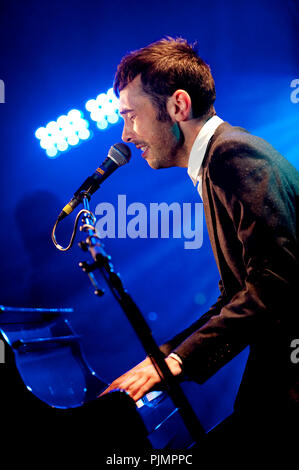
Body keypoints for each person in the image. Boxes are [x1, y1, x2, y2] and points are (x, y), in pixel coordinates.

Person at [100, 37, 299, 450]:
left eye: (131, 116)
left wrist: (174, 362)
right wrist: (168, 356)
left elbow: (278, 281)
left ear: (177, 106)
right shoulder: (218, 161)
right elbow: (240, 293)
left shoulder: (232, 155)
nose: (126, 134)